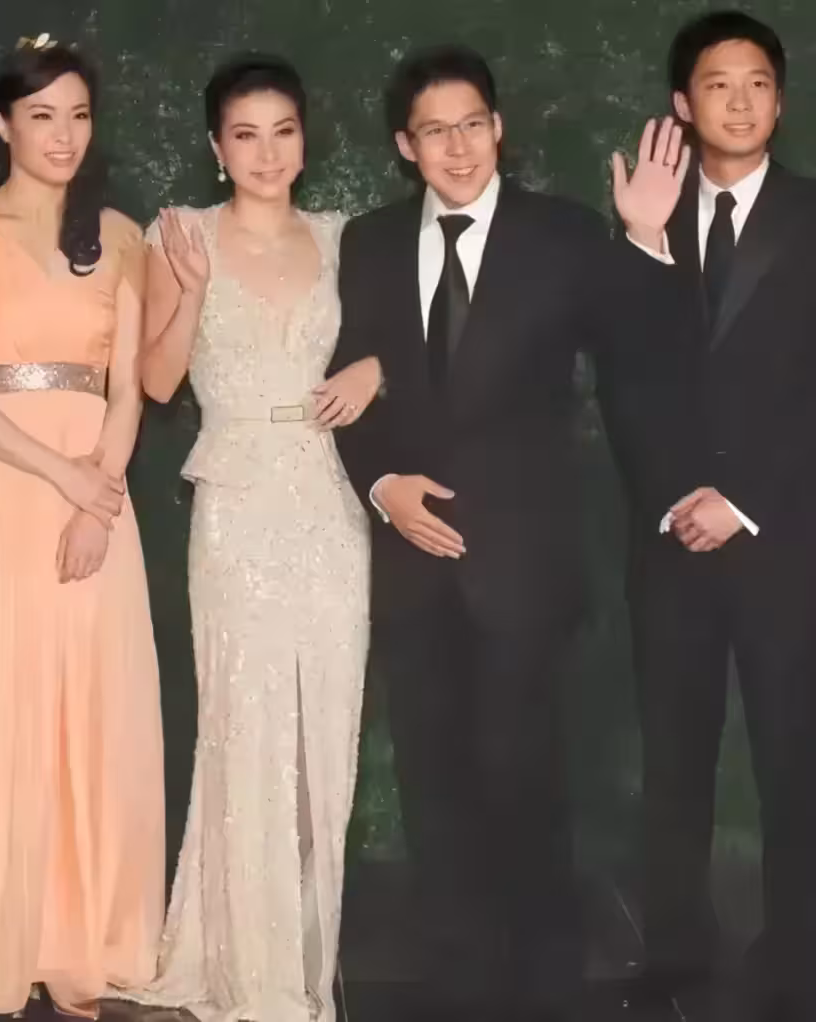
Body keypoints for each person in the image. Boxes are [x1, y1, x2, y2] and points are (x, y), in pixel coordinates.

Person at [328, 43, 686, 1022]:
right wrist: (381, 484)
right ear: (405, 145)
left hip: (524, 567)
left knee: (526, 787)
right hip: (411, 565)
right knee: (434, 790)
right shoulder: (367, 242)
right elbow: (348, 382)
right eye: (434, 130)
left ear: (499, 128)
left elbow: (644, 348)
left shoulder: (564, 234)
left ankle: (543, 989)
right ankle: (460, 987)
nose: (457, 146)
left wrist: (645, 241)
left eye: (472, 124)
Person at [122, 54, 379, 1022]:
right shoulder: (178, 234)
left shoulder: (345, 236)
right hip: (234, 502)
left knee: (326, 729)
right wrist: (189, 291)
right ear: (214, 146)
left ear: (304, 138)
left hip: (330, 502)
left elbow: (408, 339)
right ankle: (242, 966)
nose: (266, 153)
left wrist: (377, 370)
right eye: (244, 135)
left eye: (282, 132)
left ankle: (306, 959)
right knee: (244, 728)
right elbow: (154, 381)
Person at [598, 12, 816, 1022]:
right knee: (673, 760)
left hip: (787, 540)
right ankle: (675, 952)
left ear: (780, 99)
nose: (740, 99)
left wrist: (744, 501)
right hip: (671, 538)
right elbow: (623, 378)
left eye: (757, 81)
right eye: (717, 84)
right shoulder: (648, 217)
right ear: (681, 105)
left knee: (793, 760)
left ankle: (797, 958)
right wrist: (640, 242)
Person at [0, 37, 165, 1019]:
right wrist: (61, 476)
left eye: (77, 114)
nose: (63, 135)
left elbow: (129, 389)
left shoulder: (117, 235)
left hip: (95, 503)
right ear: (3, 125)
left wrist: (97, 494)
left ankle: (83, 937)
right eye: (41, 116)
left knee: (90, 701)